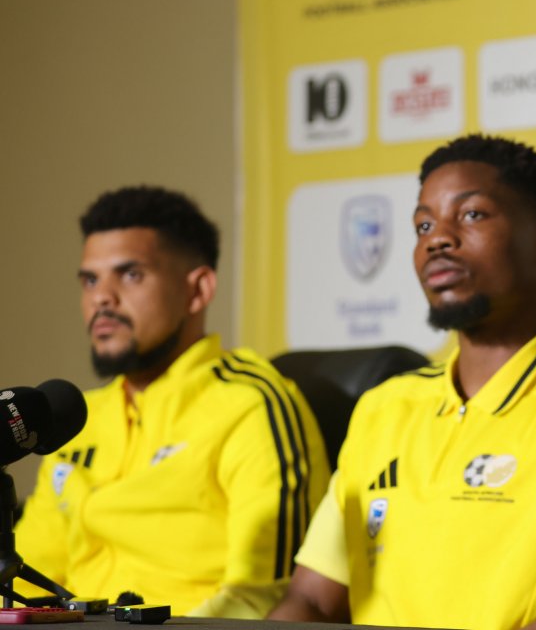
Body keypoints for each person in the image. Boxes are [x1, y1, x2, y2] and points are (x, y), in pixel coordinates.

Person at [269, 134, 536, 629]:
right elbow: (312, 602)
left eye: (472, 215)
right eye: (423, 224)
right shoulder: (384, 406)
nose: (436, 238)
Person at [15, 186, 330, 617]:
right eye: (90, 279)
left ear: (197, 290)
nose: (101, 297)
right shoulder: (73, 418)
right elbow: (24, 577)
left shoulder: (250, 404)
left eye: (130, 275)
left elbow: (264, 596)